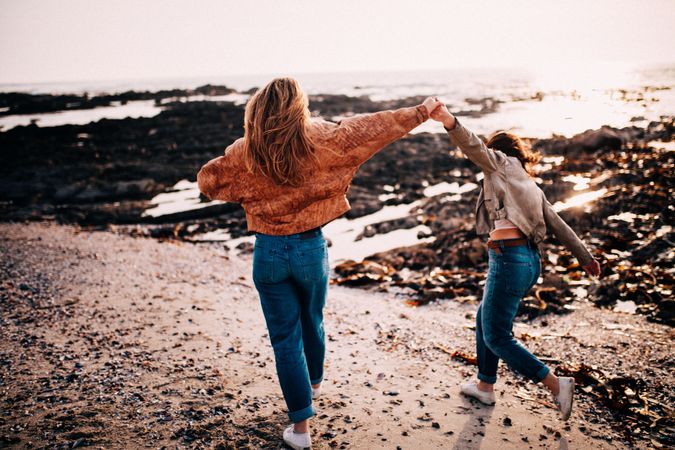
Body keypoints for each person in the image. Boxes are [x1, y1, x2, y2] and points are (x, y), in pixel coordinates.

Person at [198, 77, 442, 449]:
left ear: (256, 112)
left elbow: (208, 182)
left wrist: (252, 188)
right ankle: (312, 384)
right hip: (311, 249)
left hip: (269, 253)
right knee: (313, 320)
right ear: (298, 107)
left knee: (284, 339)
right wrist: (423, 111)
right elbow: (375, 127)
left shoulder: (244, 150)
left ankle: (300, 431)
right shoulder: (323, 137)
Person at [428, 102, 601, 420]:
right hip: (528, 262)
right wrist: (585, 258)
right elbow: (557, 223)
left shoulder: (499, 164)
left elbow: (473, 146)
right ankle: (484, 386)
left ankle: (555, 384)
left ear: (498, 152)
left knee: (496, 335)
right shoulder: (528, 183)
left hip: (509, 260)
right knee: (485, 319)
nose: (485, 161)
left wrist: (449, 121)